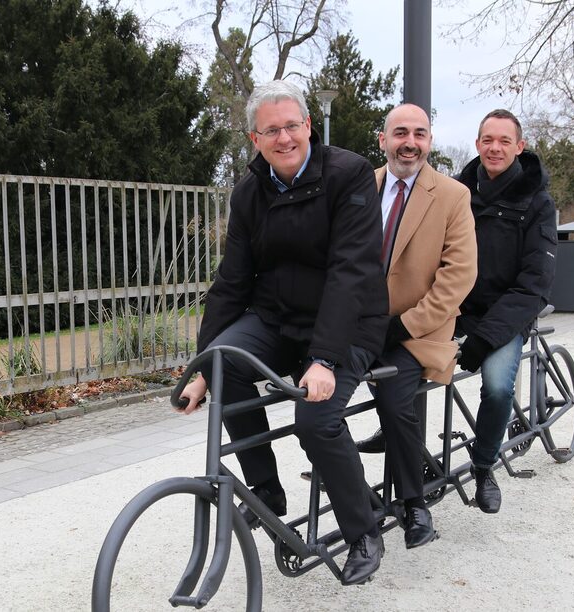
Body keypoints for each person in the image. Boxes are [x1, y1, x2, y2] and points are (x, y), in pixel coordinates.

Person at [177, 80, 389, 586]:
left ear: (309, 127)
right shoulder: (251, 192)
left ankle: (364, 530)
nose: (284, 137)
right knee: (225, 366)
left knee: (315, 421)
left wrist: (326, 358)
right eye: (271, 130)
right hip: (277, 319)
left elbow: (350, 271)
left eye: (292, 126)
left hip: (348, 323)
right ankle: (266, 493)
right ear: (255, 139)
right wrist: (202, 367)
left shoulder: (349, 175)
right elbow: (232, 281)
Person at [351, 103, 477, 549]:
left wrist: (404, 325)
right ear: (382, 140)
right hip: (360, 325)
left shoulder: (452, 195)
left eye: (419, 133)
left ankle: (413, 503)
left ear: (429, 141)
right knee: (314, 395)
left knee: (394, 398)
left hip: (418, 331)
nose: (410, 142)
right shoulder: (363, 187)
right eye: (400, 132)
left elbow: (458, 276)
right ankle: (354, 489)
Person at [453, 109, 557, 513]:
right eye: (487, 140)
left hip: (506, 315)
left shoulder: (537, 201)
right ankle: (394, 442)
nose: (495, 148)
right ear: (478, 144)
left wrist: (485, 337)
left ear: (520, 146)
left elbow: (534, 283)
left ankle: (483, 466)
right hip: (459, 309)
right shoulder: (458, 192)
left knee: (497, 386)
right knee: (397, 359)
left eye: (504, 141)